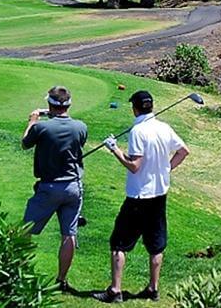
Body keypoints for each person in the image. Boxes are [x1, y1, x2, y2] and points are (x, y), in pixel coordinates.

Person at [93, 91, 191, 303]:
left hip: (139, 197)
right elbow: (183, 151)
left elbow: (134, 166)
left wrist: (114, 149)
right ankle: (153, 289)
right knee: (156, 244)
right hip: (159, 194)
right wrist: (166, 170)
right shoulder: (164, 127)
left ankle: (115, 291)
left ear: (135, 108)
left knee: (119, 243)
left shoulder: (137, 131)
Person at [21, 86, 88, 292]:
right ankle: (61, 280)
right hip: (73, 187)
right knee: (69, 234)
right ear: (69, 104)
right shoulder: (81, 127)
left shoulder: (41, 128)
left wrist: (32, 121)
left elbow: (25, 143)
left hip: (49, 187)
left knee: (25, 230)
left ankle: (19, 272)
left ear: (49, 104)